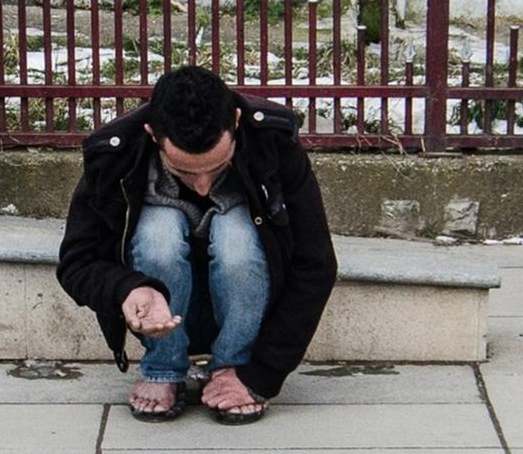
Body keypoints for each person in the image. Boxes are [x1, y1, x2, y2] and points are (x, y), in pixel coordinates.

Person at [57, 66, 337, 424]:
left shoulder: (272, 138)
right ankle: (162, 368)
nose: (202, 186)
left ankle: (233, 367)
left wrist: (262, 373)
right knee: (158, 232)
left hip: (248, 300)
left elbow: (316, 263)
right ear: (152, 135)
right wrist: (128, 290)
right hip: (167, 305)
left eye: (218, 166)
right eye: (185, 172)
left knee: (238, 232)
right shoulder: (116, 152)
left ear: (236, 122)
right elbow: (76, 261)